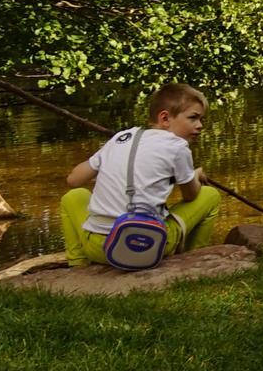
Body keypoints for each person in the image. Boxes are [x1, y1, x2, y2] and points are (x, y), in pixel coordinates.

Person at [58, 82, 221, 266]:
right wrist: (195, 176)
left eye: (201, 119)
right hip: (148, 247)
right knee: (210, 195)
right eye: (193, 118)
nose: (200, 125)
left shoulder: (122, 137)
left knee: (74, 196)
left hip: (99, 248)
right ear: (165, 118)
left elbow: (73, 180)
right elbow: (190, 195)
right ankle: (194, 259)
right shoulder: (178, 147)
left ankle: (78, 264)